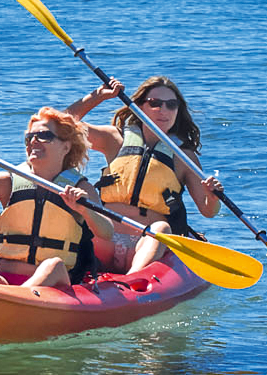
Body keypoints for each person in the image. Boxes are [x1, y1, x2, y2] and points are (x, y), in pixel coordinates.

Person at [0, 107, 113, 292]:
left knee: (54, 265)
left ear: (65, 147)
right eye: (29, 137)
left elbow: (107, 232)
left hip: (52, 283)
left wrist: (84, 210)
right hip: (6, 278)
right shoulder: (7, 182)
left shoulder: (80, 189)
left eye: (44, 136)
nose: (33, 141)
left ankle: (17, 297)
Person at [65, 76, 222, 274]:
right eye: (155, 103)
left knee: (161, 228)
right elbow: (61, 125)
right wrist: (98, 96)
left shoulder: (183, 156)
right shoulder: (115, 138)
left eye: (171, 105)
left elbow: (208, 211)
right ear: (139, 106)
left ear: (178, 110)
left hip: (145, 244)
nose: (163, 110)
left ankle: (133, 279)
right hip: (105, 239)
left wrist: (212, 197)